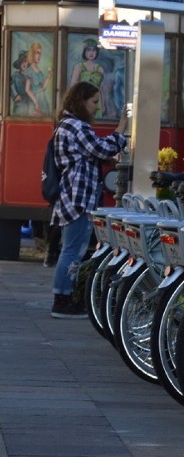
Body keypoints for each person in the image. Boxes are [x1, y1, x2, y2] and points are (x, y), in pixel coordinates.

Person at [50, 81, 128, 318]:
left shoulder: (67, 125)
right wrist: (122, 127)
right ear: (81, 101)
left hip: (72, 195)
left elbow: (90, 154)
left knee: (72, 249)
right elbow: (102, 149)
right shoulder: (76, 126)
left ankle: (64, 297)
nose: (96, 107)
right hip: (78, 197)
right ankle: (62, 301)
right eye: (94, 101)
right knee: (73, 251)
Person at [25, 42, 53, 117]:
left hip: (43, 100)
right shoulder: (29, 70)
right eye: (37, 53)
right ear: (32, 54)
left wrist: (49, 76)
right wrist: (35, 102)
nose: (39, 56)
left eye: (40, 53)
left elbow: (43, 88)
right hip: (35, 100)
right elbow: (27, 90)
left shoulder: (40, 71)